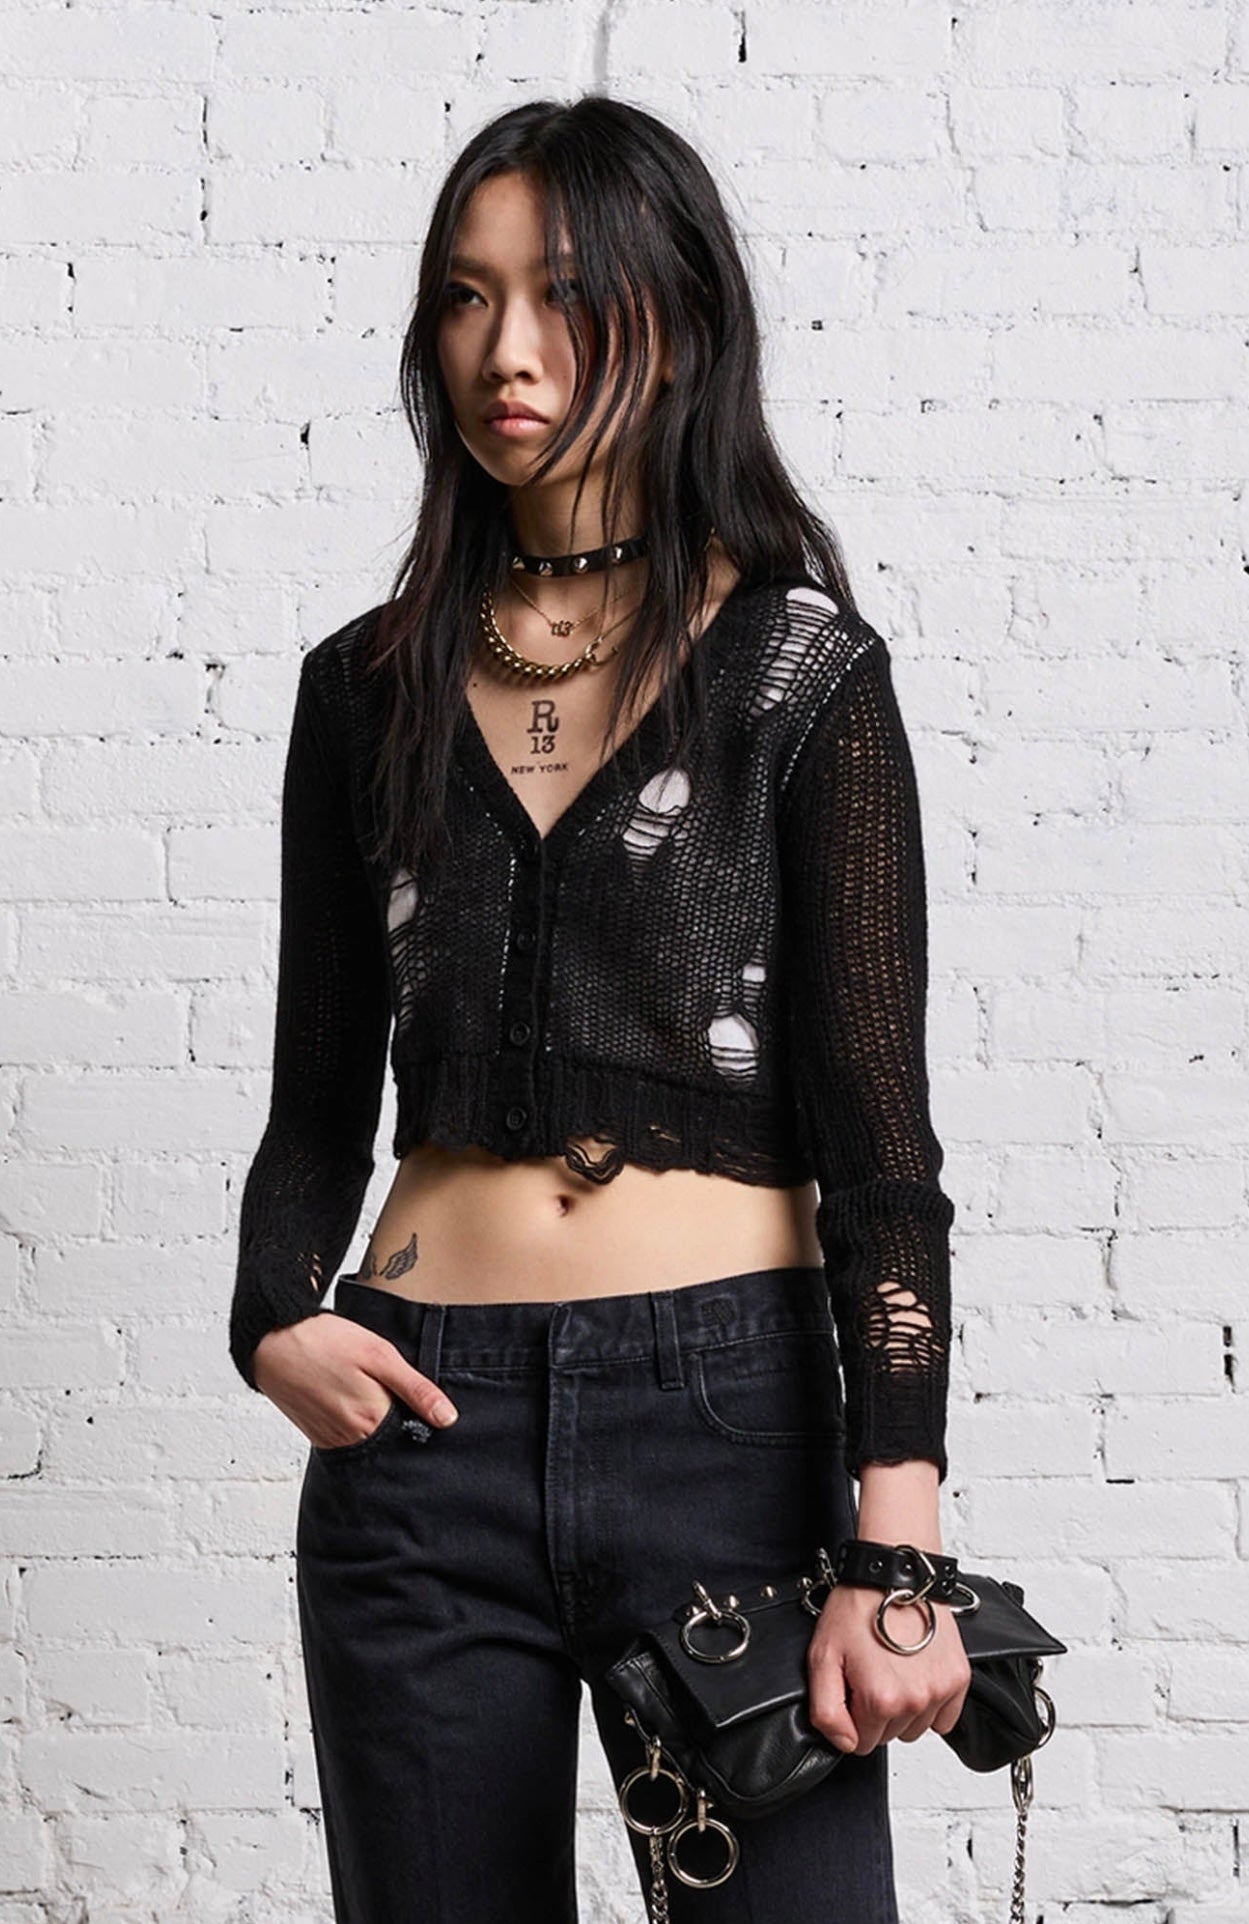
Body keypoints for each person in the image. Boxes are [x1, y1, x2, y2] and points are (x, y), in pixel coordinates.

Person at [228, 93, 971, 1924]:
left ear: (678, 313)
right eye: (466, 296)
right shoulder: (365, 688)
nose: (509, 349)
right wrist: (271, 1320)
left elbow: (880, 1148)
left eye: (563, 292)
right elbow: (317, 1100)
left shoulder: (797, 672)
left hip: (727, 1430)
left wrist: (897, 1541)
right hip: (420, 1439)